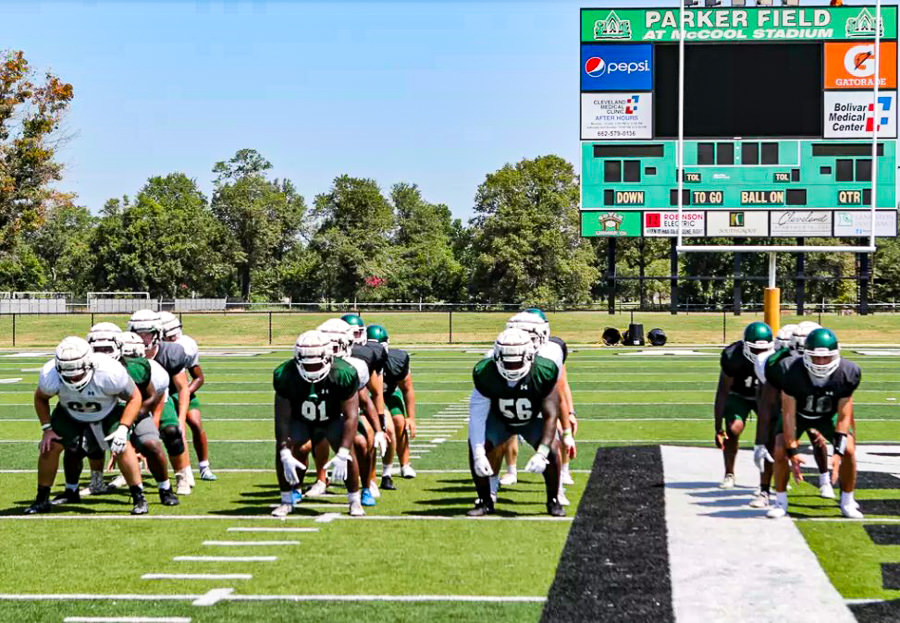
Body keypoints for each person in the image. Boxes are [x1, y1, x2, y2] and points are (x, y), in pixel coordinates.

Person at [26, 336, 149, 515]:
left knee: (122, 447)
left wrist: (123, 428)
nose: (73, 378)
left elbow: (135, 397)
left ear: (89, 364)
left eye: (77, 373)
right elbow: (40, 398)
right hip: (70, 412)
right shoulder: (50, 374)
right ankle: (42, 499)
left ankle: (139, 497)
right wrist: (47, 429)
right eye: (68, 374)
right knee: (49, 446)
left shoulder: (110, 371)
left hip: (108, 410)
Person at [467, 328, 565, 517]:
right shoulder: (485, 373)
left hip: (531, 420)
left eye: (516, 362)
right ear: (497, 357)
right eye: (507, 363)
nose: (512, 368)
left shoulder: (543, 371)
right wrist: (479, 454)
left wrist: (542, 452)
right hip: (499, 420)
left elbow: (551, 416)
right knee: (476, 447)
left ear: (529, 356)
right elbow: (477, 417)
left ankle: (553, 500)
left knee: (552, 449)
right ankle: (484, 500)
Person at [767, 328, 862, 519]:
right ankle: (780, 501)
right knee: (779, 449)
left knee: (849, 450)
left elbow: (844, 416)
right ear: (806, 355)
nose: (820, 362)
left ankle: (847, 500)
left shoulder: (848, 372)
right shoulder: (790, 370)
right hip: (799, 415)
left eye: (826, 357)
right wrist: (792, 451)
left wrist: (838, 452)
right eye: (815, 357)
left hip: (828, 416)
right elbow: (788, 415)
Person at [272, 330, 364, 517]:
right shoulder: (285, 374)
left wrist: (343, 451)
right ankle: (286, 500)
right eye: (307, 366)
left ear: (328, 358)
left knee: (348, 452)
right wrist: (283, 450)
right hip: (301, 419)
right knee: (283, 449)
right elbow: (282, 417)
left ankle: (355, 500)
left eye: (315, 366)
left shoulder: (344, 373)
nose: (312, 370)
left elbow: (350, 416)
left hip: (331, 418)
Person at [128, 309, 194, 495]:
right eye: (138, 333)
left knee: (172, 431)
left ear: (157, 333)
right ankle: (115, 474)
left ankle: (181, 475)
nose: (142, 338)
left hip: (162, 398)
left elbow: (182, 388)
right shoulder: (125, 349)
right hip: (133, 400)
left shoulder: (170, 353)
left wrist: (181, 419)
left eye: (147, 333)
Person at [714, 321, 773, 489]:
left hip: (764, 396)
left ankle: (772, 474)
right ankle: (729, 473)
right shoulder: (733, 356)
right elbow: (723, 391)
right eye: (755, 349)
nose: (760, 353)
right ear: (746, 345)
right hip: (738, 395)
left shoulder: (776, 358)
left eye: (763, 349)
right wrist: (718, 427)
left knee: (773, 433)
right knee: (733, 430)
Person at [159, 311, 215, 481]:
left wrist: (185, 394)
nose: (175, 337)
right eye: (170, 334)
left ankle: (204, 466)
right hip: (159, 393)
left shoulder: (187, 345)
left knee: (195, 423)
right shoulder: (151, 348)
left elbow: (199, 377)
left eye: (176, 332)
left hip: (180, 390)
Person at [365, 324, 417, 489]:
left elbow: (407, 389)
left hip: (389, 394)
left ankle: (404, 465)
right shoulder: (361, 360)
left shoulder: (396, 361)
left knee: (399, 422)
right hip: (368, 398)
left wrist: (411, 418)